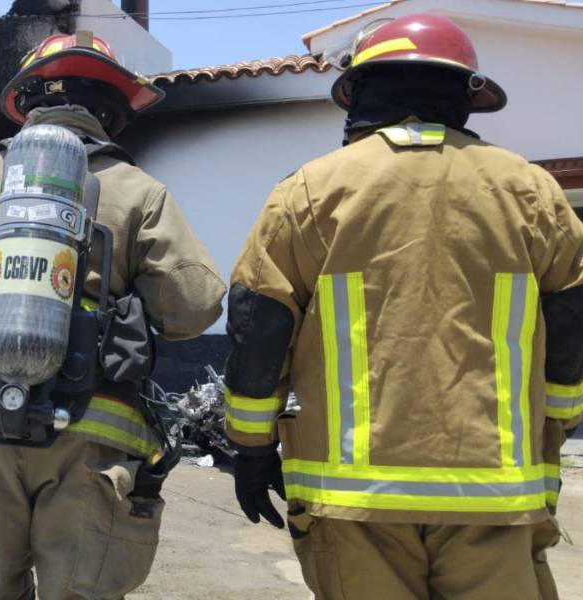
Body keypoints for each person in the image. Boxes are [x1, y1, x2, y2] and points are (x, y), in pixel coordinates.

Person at [224, 13, 582, 600]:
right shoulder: (532, 192)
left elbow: (258, 324)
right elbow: (571, 328)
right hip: (496, 500)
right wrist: (556, 428)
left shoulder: (312, 190)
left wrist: (252, 447)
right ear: (465, 96)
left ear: (361, 91)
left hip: (356, 506)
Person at [0, 31, 226, 600]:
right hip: (94, 427)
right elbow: (191, 310)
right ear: (110, 110)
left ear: (29, 105)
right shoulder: (140, 193)